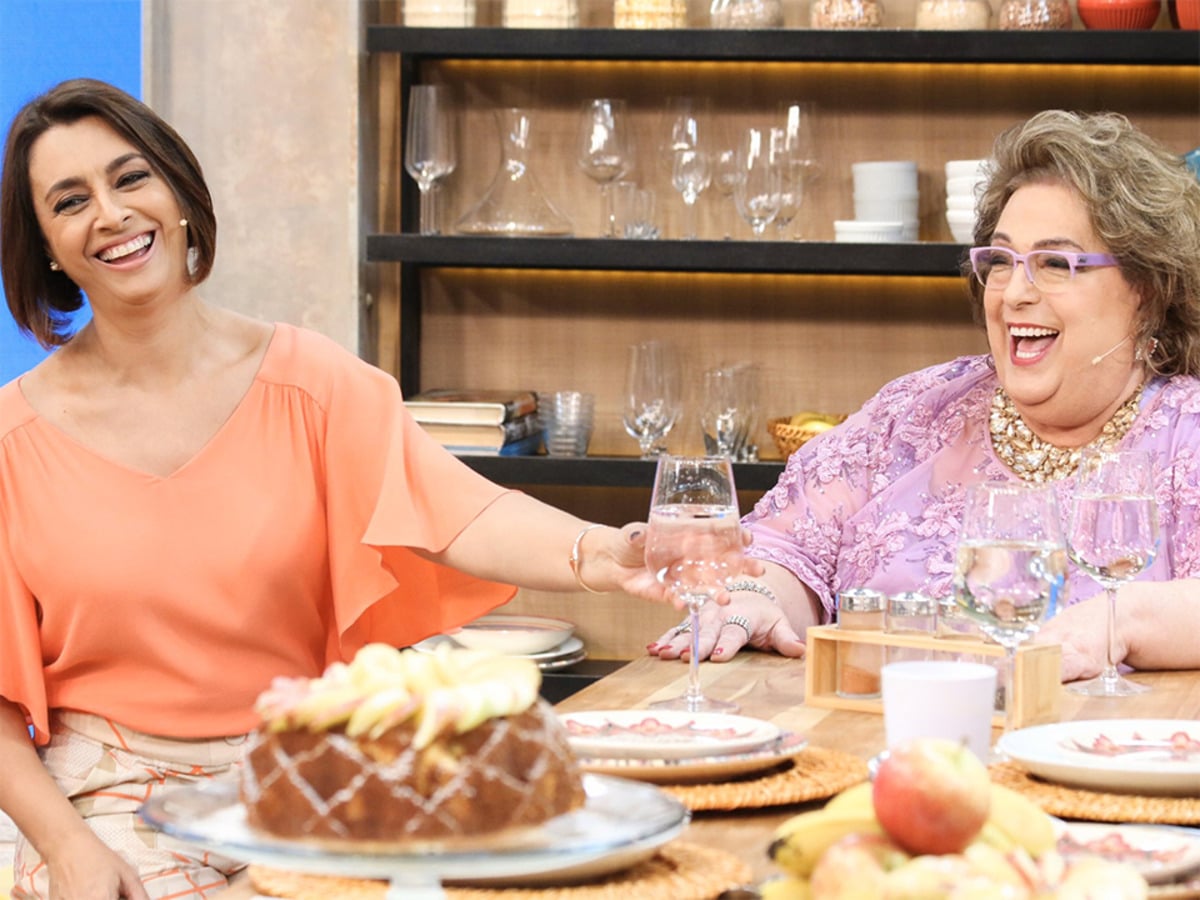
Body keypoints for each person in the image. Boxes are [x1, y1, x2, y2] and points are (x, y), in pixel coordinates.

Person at [0, 77, 706, 900]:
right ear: (48, 245)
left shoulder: (310, 382)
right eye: (70, 201)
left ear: (178, 194)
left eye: (130, 179)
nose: (111, 215)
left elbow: (456, 512)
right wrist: (66, 848)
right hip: (108, 804)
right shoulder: (12, 442)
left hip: (311, 772)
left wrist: (605, 553)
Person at [649, 109, 1200, 685]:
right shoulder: (917, 411)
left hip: (1103, 758)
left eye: (1054, 264)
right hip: (875, 748)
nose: (1013, 294)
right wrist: (756, 600)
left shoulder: (1188, 432)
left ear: (1147, 289)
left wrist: (1122, 619)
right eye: (1001, 261)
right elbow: (789, 551)